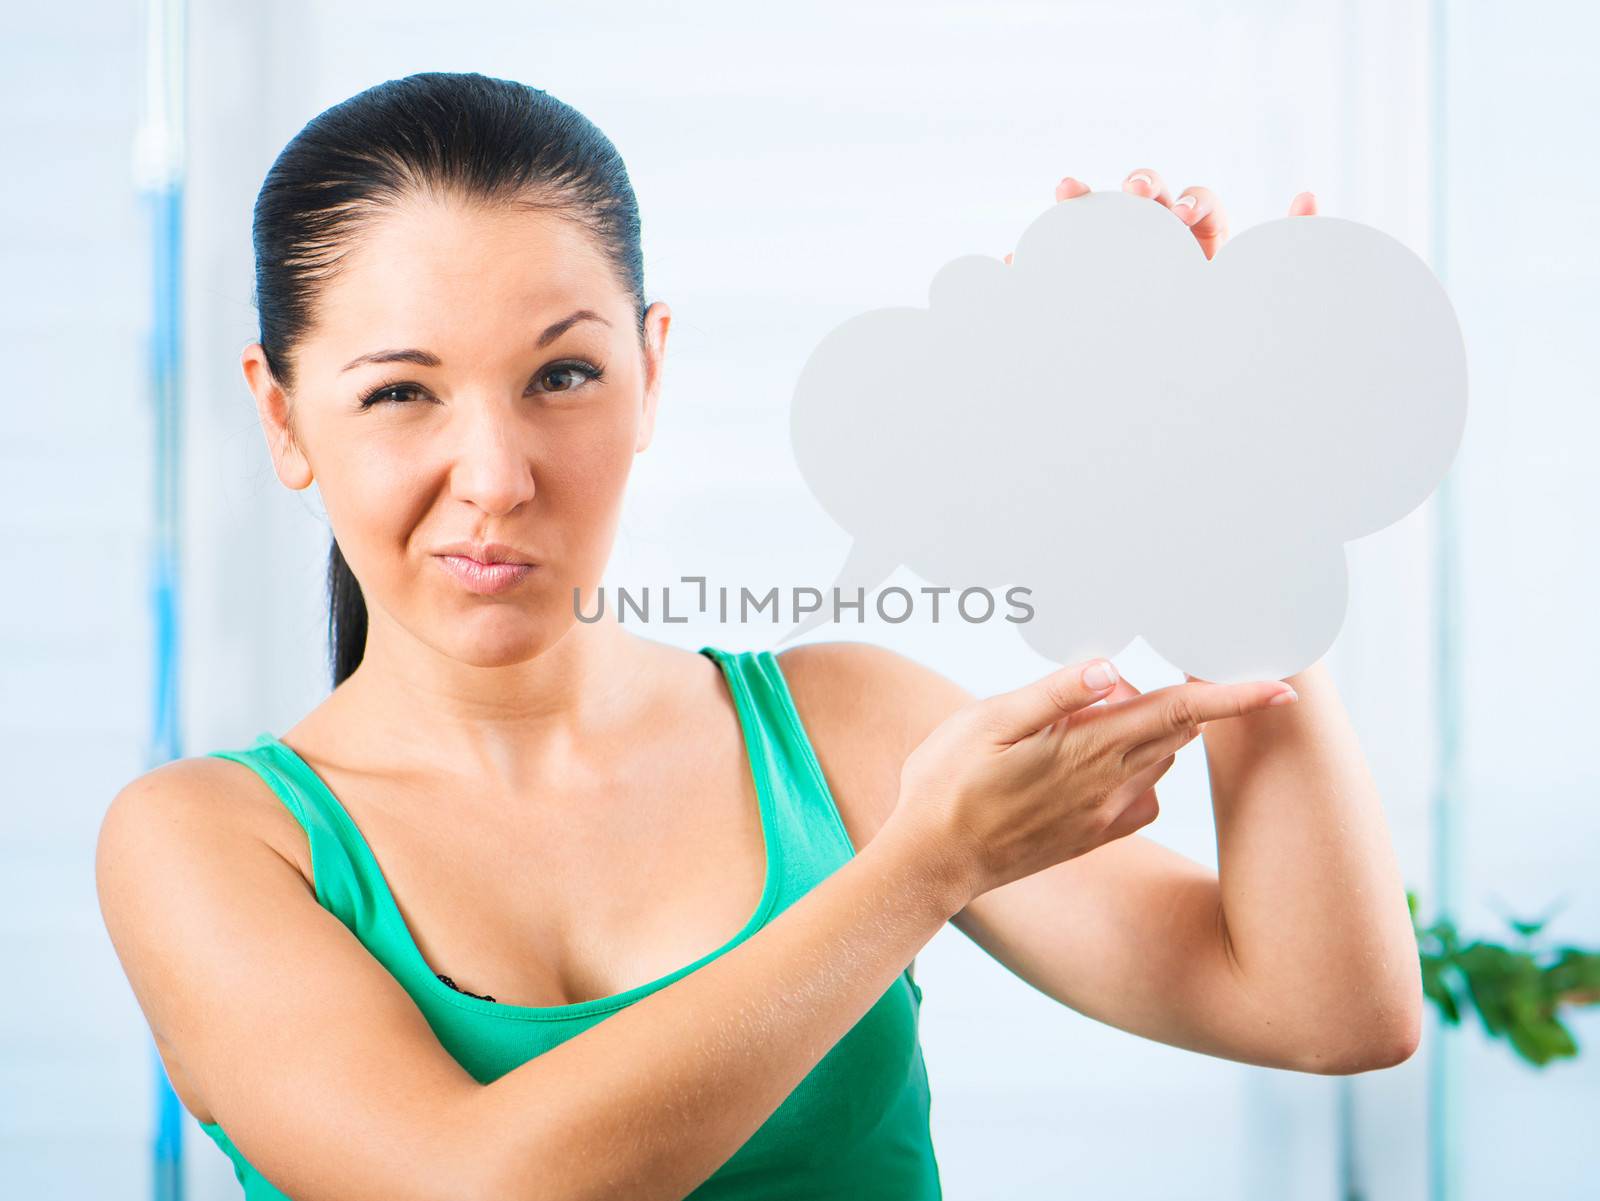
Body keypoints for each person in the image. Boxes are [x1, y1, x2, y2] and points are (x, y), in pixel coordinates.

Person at [95, 71, 1422, 1201]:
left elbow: (1327, 1008)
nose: (494, 475)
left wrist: (1236, 491)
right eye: (399, 391)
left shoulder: (844, 727)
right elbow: (478, 1183)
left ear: (653, 370)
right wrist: (920, 869)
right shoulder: (207, 842)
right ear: (280, 415)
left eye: (564, 373)